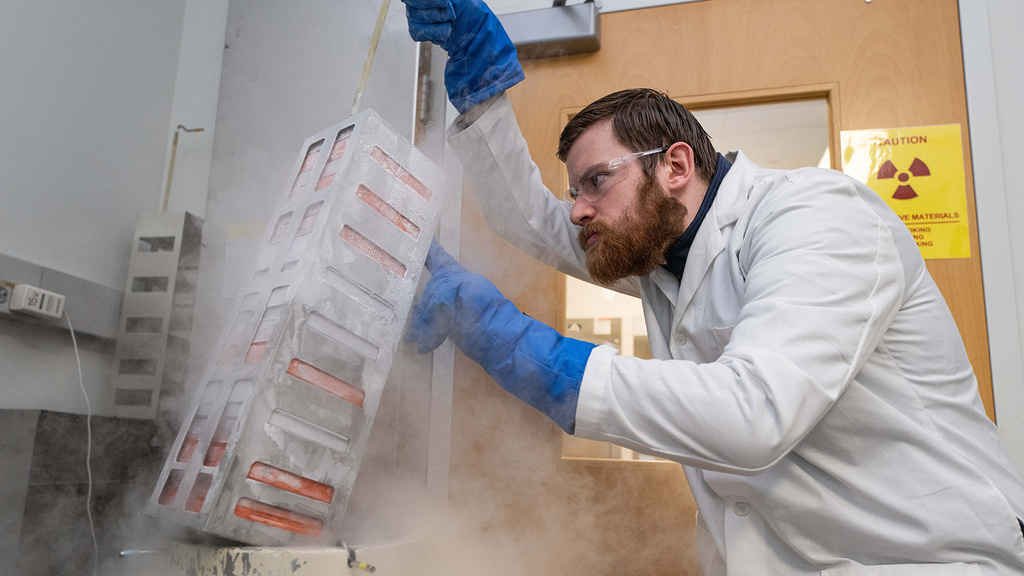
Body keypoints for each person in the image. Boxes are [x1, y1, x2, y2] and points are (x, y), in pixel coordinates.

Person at [399, 1, 1024, 574]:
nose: (577, 210)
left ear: (674, 165)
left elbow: (754, 412)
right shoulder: (659, 258)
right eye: (574, 191)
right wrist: (481, 84)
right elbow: (530, 220)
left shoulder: (818, 215)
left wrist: (530, 353)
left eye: (595, 182)